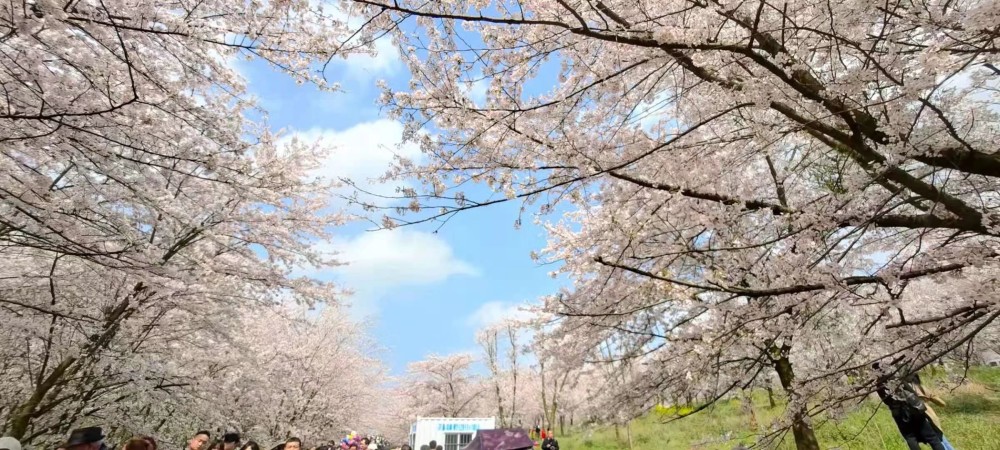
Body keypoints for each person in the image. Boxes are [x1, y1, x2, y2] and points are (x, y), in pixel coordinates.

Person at [874, 365, 946, 450]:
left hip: (898, 412)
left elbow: (886, 401)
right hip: (913, 408)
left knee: (910, 438)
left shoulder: (878, 385)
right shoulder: (895, 377)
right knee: (932, 437)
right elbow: (910, 390)